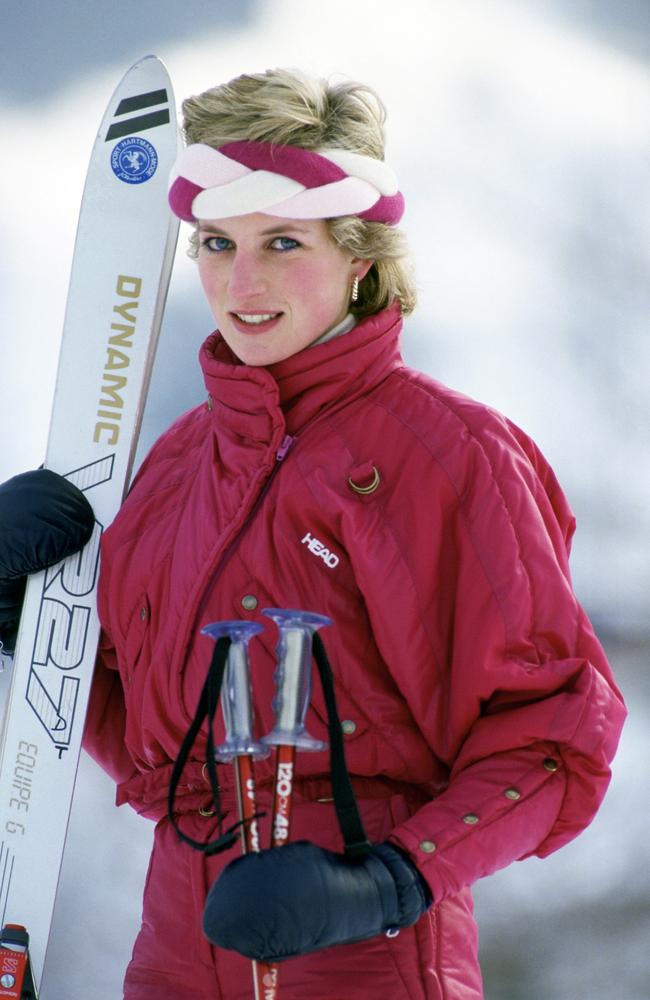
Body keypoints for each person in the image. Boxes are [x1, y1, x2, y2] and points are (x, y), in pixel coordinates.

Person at [0, 68, 626, 1000]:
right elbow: (149, 749)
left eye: (282, 243)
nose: (241, 282)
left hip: (364, 953)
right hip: (176, 944)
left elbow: (552, 742)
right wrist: (27, 617)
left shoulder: (450, 454)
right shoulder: (177, 463)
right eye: (216, 244)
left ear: (361, 258)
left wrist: (383, 882)